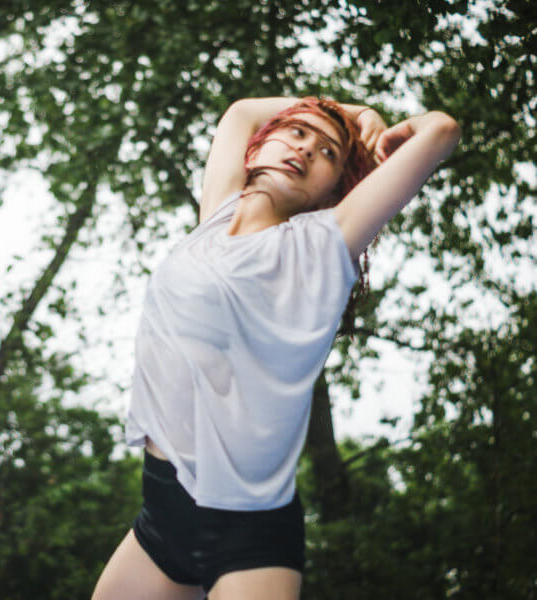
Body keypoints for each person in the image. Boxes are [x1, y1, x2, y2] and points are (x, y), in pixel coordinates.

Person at [91, 97, 461, 600]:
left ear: (333, 187)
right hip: (161, 515)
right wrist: (345, 110)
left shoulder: (320, 245)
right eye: (297, 133)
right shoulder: (216, 217)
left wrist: (372, 125)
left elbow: (440, 131)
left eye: (328, 153)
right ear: (259, 147)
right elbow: (241, 112)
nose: (307, 150)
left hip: (248, 535)